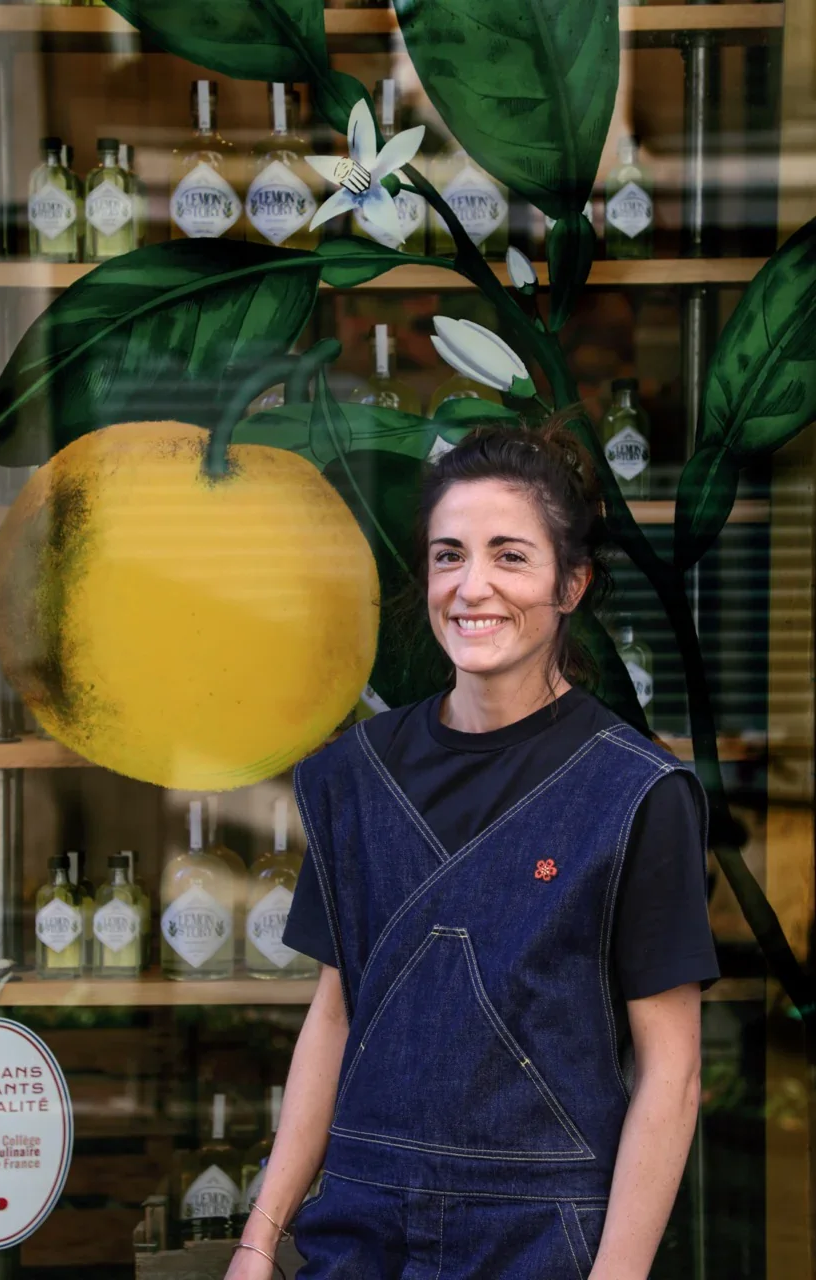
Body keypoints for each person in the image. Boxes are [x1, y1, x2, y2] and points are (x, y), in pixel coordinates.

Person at [226, 419, 719, 1280]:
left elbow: (670, 1072)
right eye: (448, 554)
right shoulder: (354, 778)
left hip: (543, 1237)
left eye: (510, 556)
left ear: (571, 584)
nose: (471, 586)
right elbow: (335, 1017)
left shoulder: (634, 792)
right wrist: (258, 1241)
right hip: (358, 1228)